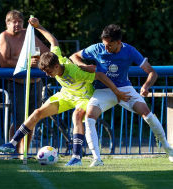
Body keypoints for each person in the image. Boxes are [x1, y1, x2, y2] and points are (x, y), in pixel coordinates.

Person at [0, 18, 130, 166]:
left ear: (57, 66)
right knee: (37, 113)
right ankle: (12, 143)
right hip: (66, 95)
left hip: (83, 97)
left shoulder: (75, 72)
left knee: (77, 115)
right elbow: (53, 42)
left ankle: (76, 157)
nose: (47, 75)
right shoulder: (55, 57)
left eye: (49, 71)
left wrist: (116, 91)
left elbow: (100, 75)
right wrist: (38, 26)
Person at [71, 24, 173, 167]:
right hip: (103, 90)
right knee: (89, 117)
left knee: (146, 113)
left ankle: (168, 149)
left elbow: (152, 72)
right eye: (104, 44)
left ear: (118, 42)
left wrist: (146, 86)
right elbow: (73, 56)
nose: (106, 48)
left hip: (124, 88)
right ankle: (97, 159)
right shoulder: (97, 48)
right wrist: (83, 66)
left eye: (109, 45)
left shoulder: (130, 51)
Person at [0, 10, 49, 159]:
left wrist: (41, 63)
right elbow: (4, 62)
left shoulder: (29, 33)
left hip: (36, 83)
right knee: (19, 119)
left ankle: (24, 152)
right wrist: (27, 63)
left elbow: (46, 53)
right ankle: (14, 151)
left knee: (32, 119)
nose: (17, 24)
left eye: (19, 21)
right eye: (14, 22)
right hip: (17, 85)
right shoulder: (4, 37)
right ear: (7, 23)